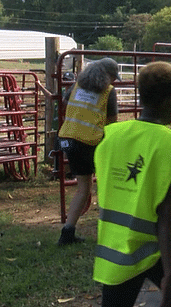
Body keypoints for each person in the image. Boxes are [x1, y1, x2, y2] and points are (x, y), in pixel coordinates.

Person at [93, 61, 171, 307]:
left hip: (119, 248)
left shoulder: (110, 136)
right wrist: (170, 275)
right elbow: (166, 213)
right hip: (166, 251)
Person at [56, 58, 120, 246]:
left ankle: (67, 232)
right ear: (108, 75)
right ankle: (111, 229)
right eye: (113, 77)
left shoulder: (77, 85)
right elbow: (112, 122)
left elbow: (65, 102)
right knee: (108, 184)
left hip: (67, 139)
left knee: (83, 188)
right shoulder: (108, 92)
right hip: (89, 142)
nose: (114, 81)